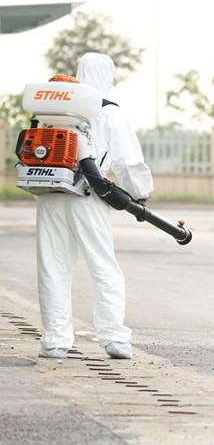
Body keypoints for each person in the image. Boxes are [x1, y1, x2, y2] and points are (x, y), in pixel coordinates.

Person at [36, 52, 154, 360]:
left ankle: (55, 340)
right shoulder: (109, 111)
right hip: (88, 195)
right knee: (103, 265)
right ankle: (114, 337)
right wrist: (140, 194)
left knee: (53, 267)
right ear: (108, 75)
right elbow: (128, 162)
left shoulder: (52, 109)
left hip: (50, 194)